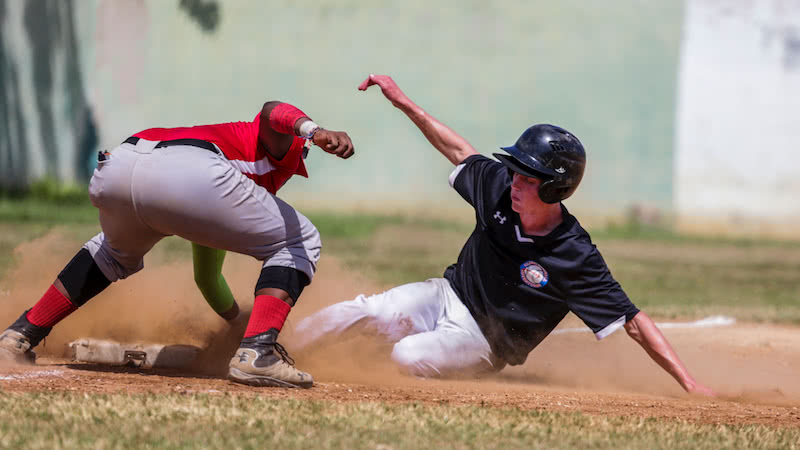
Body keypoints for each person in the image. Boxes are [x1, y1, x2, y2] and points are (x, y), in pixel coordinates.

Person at [295, 74, 714, 396]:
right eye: (514, 170)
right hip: (446, 293)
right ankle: (268, 345)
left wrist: (691, 384)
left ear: (555, 189)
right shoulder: (499, 187)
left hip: (480, 343)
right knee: (367, 311)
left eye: (527, 177)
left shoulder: (574, 254)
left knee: (407, 354)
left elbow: (634, 322)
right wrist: (403, 101)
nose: (513, 181)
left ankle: (365, 362)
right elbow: (459, 150)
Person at [0, 100, 354, 389]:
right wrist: (314, 131)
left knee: (111, 253)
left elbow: (207, 277)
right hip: (190, 171)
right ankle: (258, 352)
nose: (301, 159)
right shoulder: (264, 143)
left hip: (121, 164)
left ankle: (18, 336)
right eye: (303, 152)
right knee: (301, 238)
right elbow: (272, 110)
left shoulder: (230, 181)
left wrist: (235, 322)